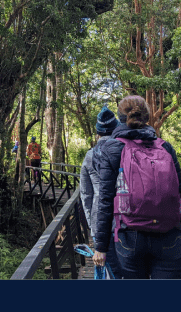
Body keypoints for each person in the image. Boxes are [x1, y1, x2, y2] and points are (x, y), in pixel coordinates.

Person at [92, 96, 181, 279]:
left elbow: (105, 199)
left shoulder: (112, 147)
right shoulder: (166, 147)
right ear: (147, 117)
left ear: (120, 117)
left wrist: (101, 247)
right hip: (168, 235)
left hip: (129, 236)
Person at [80, 104, 121, 278]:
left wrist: (92, 224)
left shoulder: (89, 156)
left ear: (98, 133)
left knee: (107, 270)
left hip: (99, 219)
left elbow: (86, 194)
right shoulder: (123, 150)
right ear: (116, 129)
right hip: (124, 218)